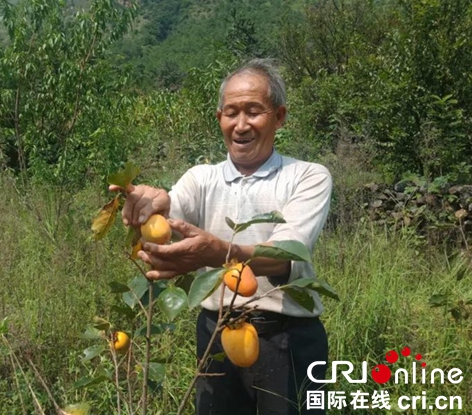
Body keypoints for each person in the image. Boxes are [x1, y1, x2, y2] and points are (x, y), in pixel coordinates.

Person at [112, 58, 332, 414]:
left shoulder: (308, 176)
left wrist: (217, 254)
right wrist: (149, 205)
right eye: (231, 113)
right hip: (217, 333)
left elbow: (286, 253)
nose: (241, 125)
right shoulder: (201, 178)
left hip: (287, 337)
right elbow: (168, 218)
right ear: (219, 120)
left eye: (253, 111)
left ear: (279, 117)